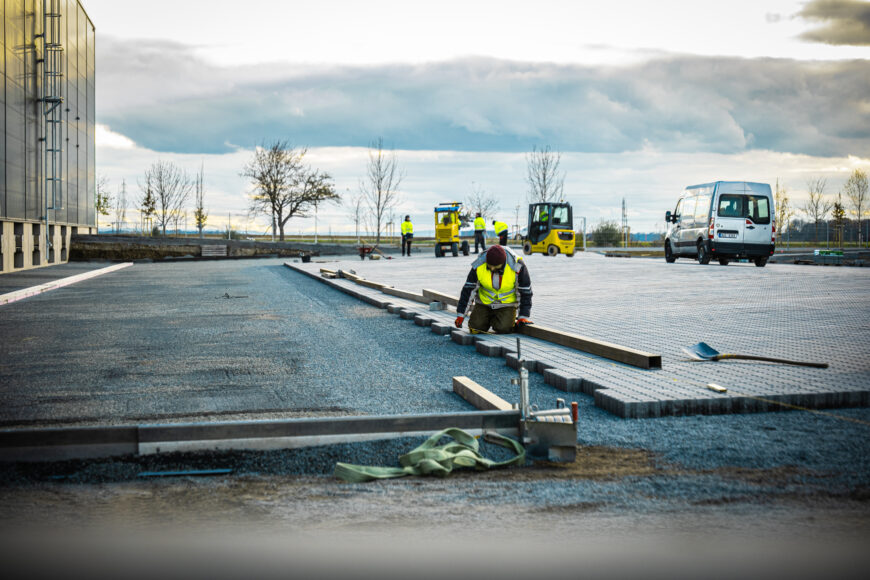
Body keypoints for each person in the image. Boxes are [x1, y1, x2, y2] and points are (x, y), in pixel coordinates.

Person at [454, 245, 532, 334]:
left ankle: (500, 319)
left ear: (503, 263)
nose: (491, 269)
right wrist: (461, 314)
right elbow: (468, 290)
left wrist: (523, 316)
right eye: (489, 266)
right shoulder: (479, 264)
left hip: (506, 305)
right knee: (475, 327)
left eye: (495, 267)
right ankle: (488, 319)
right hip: (484, 303)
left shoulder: (517, 266)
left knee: (503, 328)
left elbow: (525, 292)